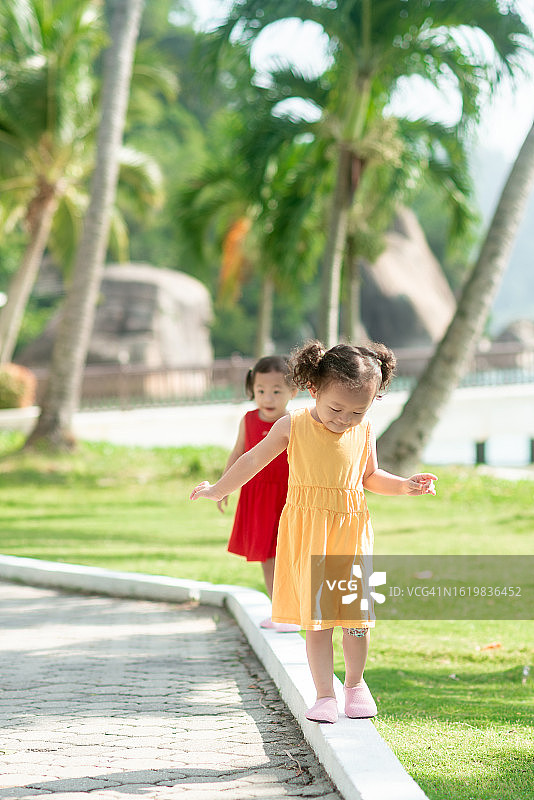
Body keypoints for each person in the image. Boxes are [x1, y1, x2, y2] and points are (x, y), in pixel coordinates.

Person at [191, 341, 437, 723]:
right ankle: (325, 694)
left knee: (356, 619)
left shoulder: (364, 429)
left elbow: (370, 476)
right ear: (313, 389)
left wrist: (405, 485)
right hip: (308, 531)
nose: (345, 419)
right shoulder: (293, 425)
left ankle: (354, 685)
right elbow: (254, 459)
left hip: (351, 530)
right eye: (337, 408)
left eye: (358, 411)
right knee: (318, 621)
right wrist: (218, 489)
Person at [219, 355, 299, 632]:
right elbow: (239, 453)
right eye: (261, 390)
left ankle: (292, 609)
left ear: (293, 391)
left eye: (277, 391)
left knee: (289, 553)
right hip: (257, 496)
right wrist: (224, 487)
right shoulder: (249, 419)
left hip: (287, 497)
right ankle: (280, 610)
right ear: (252, 389)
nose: (268, 397)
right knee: (266, 556)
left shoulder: (294, 422)